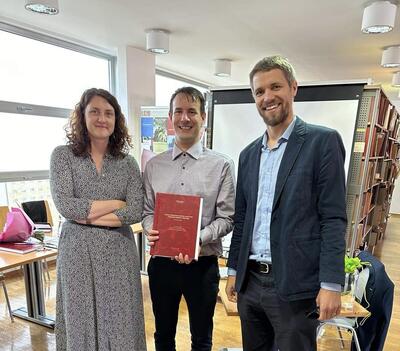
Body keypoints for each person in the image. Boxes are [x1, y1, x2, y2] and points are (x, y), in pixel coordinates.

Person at [225, 55, 347, 351]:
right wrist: (233, 272)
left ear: (293, 88)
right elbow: (243, 219)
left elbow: (333, 218)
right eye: (259, 91)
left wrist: (331, 284)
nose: (267, 97)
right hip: (251, 282)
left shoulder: (322, 142)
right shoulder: (248, 154)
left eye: (275, 86)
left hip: (295, 285)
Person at [50, 88, 146, 350]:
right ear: (82, 116)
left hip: (119, 255)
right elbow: (66, 206)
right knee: (80, 318)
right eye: (94, 111)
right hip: (77, 255)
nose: (102, 118)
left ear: (116, 120)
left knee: (121, 319)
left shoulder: (127, 163)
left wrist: (85, 216)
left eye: (109, 113)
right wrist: (116, 204)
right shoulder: (63, 156)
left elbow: (135, 210)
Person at [142, 86, 235, 351]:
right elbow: (148, 211)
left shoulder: (222, 165)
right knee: (163, 336)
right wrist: (152, 229)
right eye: (179, 112)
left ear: (203, 117)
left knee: (202, 339)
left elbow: (227, 217)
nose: (185, 118)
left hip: (202, 265)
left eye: (192, 111)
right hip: (162, 265)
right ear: (170, 118)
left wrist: (196, 239)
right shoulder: (153, 165)